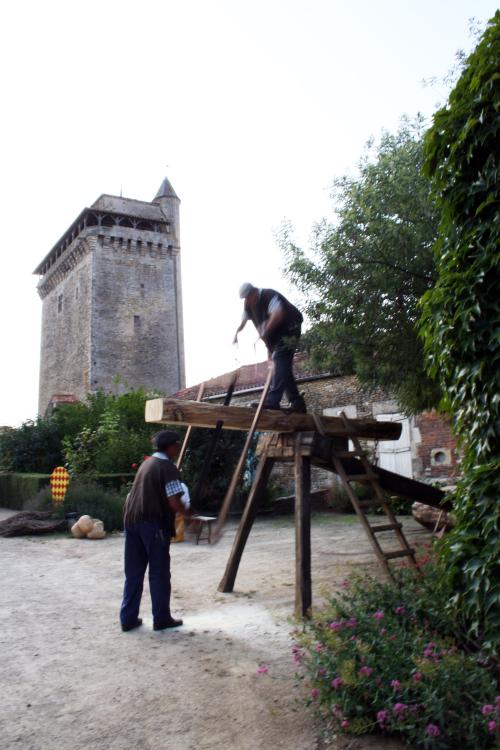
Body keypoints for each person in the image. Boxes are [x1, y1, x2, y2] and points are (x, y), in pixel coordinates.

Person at [119, 430, 192, 632]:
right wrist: (190, 516)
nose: (178, 449)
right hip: (152, 523)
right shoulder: (167, 467)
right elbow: (174, 501)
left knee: (133, 573)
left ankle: (128, 618)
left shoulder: (147, 464)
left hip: (132, 520)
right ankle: (161, 618)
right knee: (159, 573)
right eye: (177, 445)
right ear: (170, 447)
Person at [233, 283, 307, 413]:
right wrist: (236, 333)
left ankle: (272, 401)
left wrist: (265, 329)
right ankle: (297, 402)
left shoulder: (269, 295)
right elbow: (243, 321)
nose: (248, 301)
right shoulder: (248, 305)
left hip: (291, 328)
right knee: (283, 367)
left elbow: (277, 314)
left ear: (255, 291)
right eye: (245, 299)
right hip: (276, 338)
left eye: (249, 297)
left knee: (280, 361)